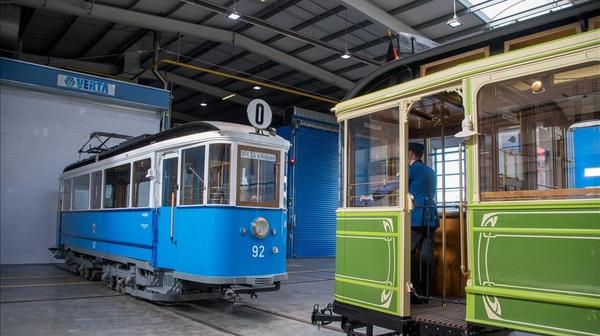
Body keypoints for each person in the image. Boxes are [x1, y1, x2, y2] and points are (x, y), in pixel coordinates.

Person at [360, 142, 438, 302]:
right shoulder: (430, 171)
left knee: (408, 255)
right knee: (427, 257)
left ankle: (414, 293)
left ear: (411, 153)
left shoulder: (412, 169)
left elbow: (393, 185)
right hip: (431, 217)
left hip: (416, 217)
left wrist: (371, 197)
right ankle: (426, 294)